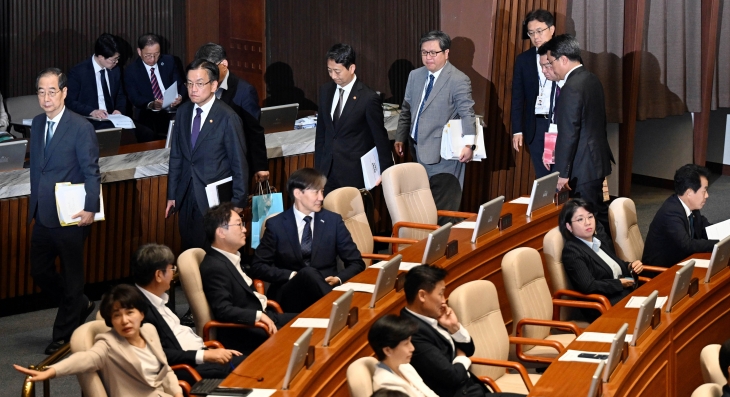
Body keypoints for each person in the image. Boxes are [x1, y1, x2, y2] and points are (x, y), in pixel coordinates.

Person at [29, 68, 99, 354]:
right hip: (42, 212)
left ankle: (63, 335)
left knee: (72, 276)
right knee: (39, 271)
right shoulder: (35, 123)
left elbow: (92, 171)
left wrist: (90, 208)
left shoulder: (81, 127)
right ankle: (78, 303)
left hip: (72, 213)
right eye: (41, 92)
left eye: (52, 92)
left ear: (64, 92)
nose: (46, 98)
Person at [14, 284, 183, 397]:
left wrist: (177, 392)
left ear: (141, 314)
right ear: (110, 320)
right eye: (117, 315)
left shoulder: (149, 331)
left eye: (130, 312)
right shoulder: (108, 343)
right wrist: (51, 371)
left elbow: (166, 370)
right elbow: (83, 359)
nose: (124, 320)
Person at [249, 168, 366, 313]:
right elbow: (258, 266)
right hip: (291, 295)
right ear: (298, 193)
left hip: (327, 288)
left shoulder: (333, 221)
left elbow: (356, 262)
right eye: (316, 192)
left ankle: (336, 310)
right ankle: (341, 312)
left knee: (310, 274)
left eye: (322, 191)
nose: (321, 197)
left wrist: (338, 279)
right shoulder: (276, 225)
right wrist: (291, 275)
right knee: (307, 273)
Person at [400, 265, 524, 397]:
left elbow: (469, 349)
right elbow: (452, 376)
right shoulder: (412, 332)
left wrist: (454, 328)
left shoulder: (432, 316)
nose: (444, 300)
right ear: (422, 295)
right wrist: (462, 358)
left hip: (471, 389)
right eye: (441, 293)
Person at [165, 58, 248, 251]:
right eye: (189, 83)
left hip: (215, 199)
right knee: (188, 248)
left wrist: (238, 202)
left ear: (213, 85)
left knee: (212, 252)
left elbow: (239, 162)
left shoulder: (227, 117)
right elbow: (176, 156)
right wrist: (172, 194)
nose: (193, 89)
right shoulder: (184, 111)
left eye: (199, 84)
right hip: (186, 194)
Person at [132, 243, 243, 384]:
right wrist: (203, 355)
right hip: (186, 369)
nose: (174, 274)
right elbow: (158, 354)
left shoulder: (159, 297)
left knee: (254, 362)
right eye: (171, 269)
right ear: (159, 275)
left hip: (200, 355)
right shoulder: (137, 311)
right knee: (251, 371)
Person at [537, 34, 614, 234]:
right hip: (596, 159)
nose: (551, 68)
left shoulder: (571, 87)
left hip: (583, 165)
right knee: (599, 215)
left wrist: (562, 173)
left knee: (589, 220)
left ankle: (605, 261)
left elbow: (569, 133)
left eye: (552, 62)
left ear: (563, 59)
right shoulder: (591, 79)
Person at [199, 202, 296, 354]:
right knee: (305, 335)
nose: (245, 229)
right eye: (239, 225)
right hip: (246, 331)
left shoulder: (231, 257)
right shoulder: (214, 267)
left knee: (310, 321)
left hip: (264, 318)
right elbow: (223, 310)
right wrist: (258, 316)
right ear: (221, 232)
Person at [394, 30, 477, 188]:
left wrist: (469, 145)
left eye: (433, 52)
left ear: (446, 53)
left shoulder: (458, 79)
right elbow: (406, 110)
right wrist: (400, 137)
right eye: (424, 52)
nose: (428, 57)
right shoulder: (415, 75)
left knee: (443, 203)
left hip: (443, 154)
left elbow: (467, 114)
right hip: (416, 149)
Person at [314, 43, 393, 194]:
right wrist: (318, 170)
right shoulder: (325, 91)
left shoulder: (368, 98)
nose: (333, 76)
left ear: (351, 68)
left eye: (337, 71)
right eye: (329, 71)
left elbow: (380, 138)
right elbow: (321, 134)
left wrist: (385, 172)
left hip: (354, 174)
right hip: (327, 173)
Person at [195, 42, 269, 182]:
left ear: (224, 64)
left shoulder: (244, 91)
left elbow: (254, 131)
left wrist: (260, 166)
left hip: (233, 166)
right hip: (204, 165)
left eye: (211, 69)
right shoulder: (198, 86)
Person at [559, 199, 643, 321]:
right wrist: (619, 283)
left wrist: (630, 265)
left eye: (590, 217)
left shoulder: (597, 240)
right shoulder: (572, 251)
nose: (587, 223)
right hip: (603, 305)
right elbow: (588, 285)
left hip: (623, 294)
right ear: (569, 226)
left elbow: (615, 265)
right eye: (580, 219)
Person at [642, 164, 718, 268]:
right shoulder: (671, 212)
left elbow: (706, 229)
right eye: (704, 191)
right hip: (660, 272)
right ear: (689, 193)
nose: (707, 195)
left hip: (682, 263)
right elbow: (687, 245)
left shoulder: (691, 206)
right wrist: (718, 243)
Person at [511, 9, 557, 178]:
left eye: (540, 31)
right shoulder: (523, 60)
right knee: (544, 176)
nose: (536, 37)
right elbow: (517, 97)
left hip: (559, 124)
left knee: (562, 175)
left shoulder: (565, 56)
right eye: (531, 33)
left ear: (551, 30)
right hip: (536, 126)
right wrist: (517, 130)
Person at [124, 33, 184, 140]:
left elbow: (180, 84)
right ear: (139, 51)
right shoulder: (131, 71)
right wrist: (152, 104)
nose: (153, 59)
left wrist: (179, 96)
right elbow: (134, 98)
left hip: (172, 108)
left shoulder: (169, 61)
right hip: (148, 112)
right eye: (148, 55)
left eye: (157, 54)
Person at [65, 34, 128, 127]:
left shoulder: (115, 70)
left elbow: (121, 95)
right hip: (89, 119)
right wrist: (92, 111)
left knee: (145, 133)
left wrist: (119, 110)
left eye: (117, 59)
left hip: (112, 118)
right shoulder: (78, 72)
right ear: (101, 57)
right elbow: (69, 101)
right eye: (113, 60)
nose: (116, 62)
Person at [368, 314, 438, 397]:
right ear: (387, 350)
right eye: (406, 343)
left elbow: (429, 393)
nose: (412, 348)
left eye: (410, 341)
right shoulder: (386, 386)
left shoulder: (404, 365)